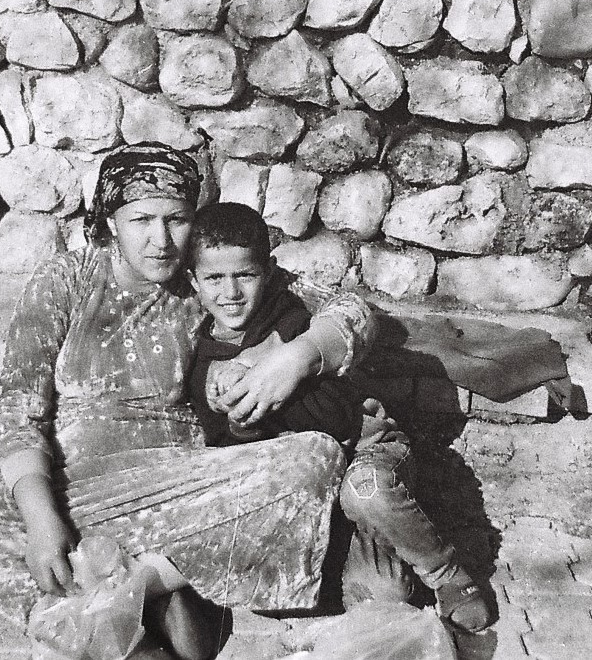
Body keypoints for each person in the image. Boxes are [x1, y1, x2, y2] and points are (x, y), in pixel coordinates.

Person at [0, 143, 377, 660]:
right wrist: (41, 520)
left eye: (177, 219)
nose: (161, 239)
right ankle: (132, 597)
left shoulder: (206, 276)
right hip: (77, 487)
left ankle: (121, 598)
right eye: (141, 219)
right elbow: (18, 407)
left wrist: (296, 357)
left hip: (182, 486)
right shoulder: (68, 280)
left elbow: (354, 312)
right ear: (110, 222)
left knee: (312, 459)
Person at [184, 202, 496, 633]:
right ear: (193, 281)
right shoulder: (205, 360)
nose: (231, 292)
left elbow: (336, 415)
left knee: (366, 493)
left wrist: (279, 380)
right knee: (382, 596)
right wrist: (241, 421)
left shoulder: (290, 323)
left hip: (361, 449)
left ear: (269, 272)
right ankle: (356, 555)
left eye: (246, 275)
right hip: (305, 491)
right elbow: (225, 443)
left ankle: (448, 576)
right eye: (214, 278)